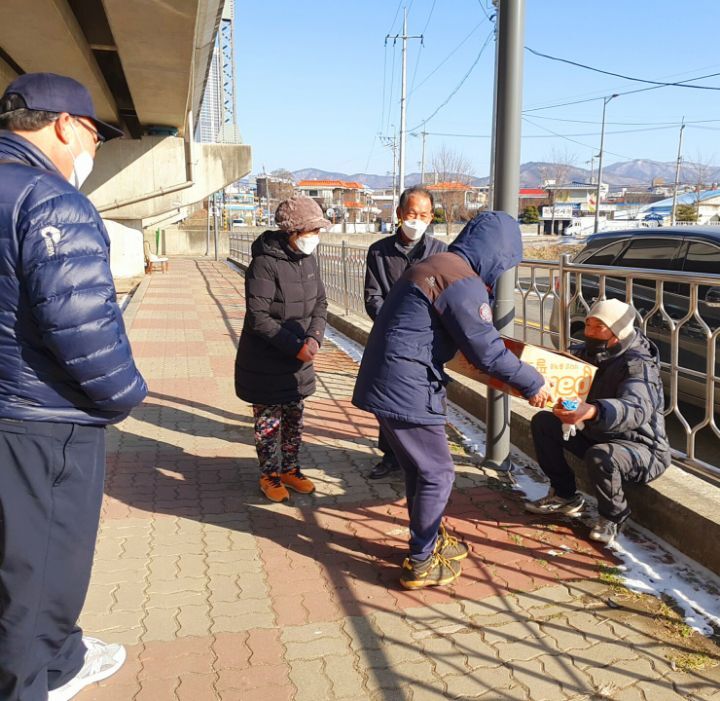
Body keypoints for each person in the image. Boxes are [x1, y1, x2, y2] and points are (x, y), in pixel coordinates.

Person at [0, 73, 147, 701]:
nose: (93, 150)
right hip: (43, 419)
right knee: (40, 575)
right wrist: (126, 394)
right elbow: (83, 325)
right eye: (93, 135)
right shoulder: (52, 200)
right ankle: (34, 681)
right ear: (64, 124)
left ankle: (62, 659)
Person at [352, 211, 552, 589]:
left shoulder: (438, 264)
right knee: (439, 472)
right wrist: (533, 383)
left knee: (420, 470)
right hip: (407, 385)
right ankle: (421, 561)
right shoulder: (461, 281)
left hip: (389, 379)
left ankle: (426, 539)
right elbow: (487, 351)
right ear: (497, 253)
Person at [525, 298, 671, 544]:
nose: (589, 332)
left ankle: (614, 516)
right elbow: (559, 375)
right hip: (597, 432)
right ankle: (564, 495)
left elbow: (637, 408)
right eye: (588, 325)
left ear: (617, 332)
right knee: (544, 423)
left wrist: (592, 411)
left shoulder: (638, 364)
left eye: (599, 327)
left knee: (600, 455)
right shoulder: (586, 352)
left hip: (642, 447)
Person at [235, 195, 329, 503]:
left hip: (298, 359)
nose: (316, 237)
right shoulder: (264, 263)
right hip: (266, 360)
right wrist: (294, 347)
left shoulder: (308, 260)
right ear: (294, 231)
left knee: (294, 419)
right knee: (268, 423)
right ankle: (269, 475)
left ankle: (290, 469)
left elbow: (320, 303)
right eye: (312, 230)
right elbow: (259, 317)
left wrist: (314, 338)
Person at [364, 186, 447, 479]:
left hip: (427, 343)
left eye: (424, 215)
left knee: (427, 398)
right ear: (400, 214)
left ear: (431, 217)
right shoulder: (379, 251)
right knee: (388, 399)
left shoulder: (440, 252)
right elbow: (373, 296)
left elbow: (447, 297)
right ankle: (391, 456)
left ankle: (424, 458)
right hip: (390, 339)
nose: (417, 220)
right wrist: (393, 325)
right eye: (412, 214)